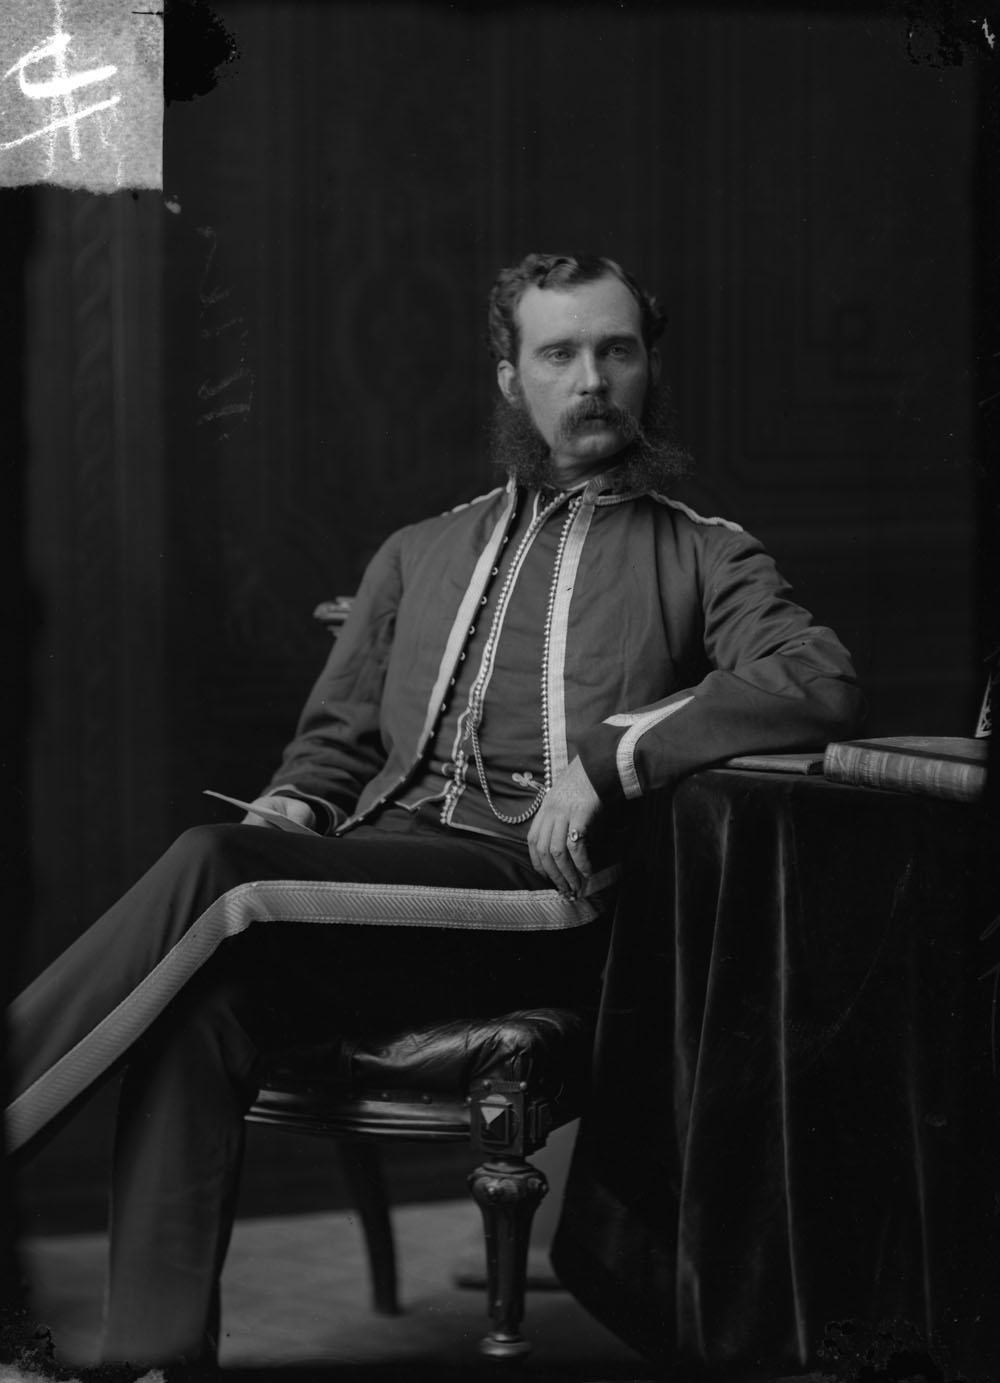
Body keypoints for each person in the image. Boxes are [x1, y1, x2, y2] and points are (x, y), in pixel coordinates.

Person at [6, 252, 864, 1368]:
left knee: (215, 864)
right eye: (559, 354)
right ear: (511, 378)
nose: (591, 380)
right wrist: (292, 805)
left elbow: (815, 678)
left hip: (539, 901)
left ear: (648, 367)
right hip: (378, 890)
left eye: (616, 350)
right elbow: (333, 747)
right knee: (199, 1002)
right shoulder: (419, 551)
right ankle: (153, 1360)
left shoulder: (703, 552)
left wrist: (609, 759)